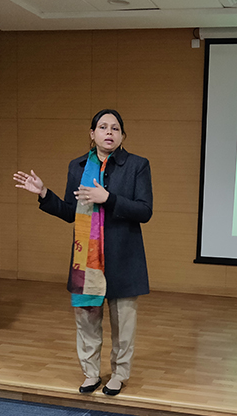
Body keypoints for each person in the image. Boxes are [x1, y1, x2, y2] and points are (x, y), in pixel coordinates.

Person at [14, 109, 153, 396]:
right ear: (92, 133)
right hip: (86, 259)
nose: (109, 132)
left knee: (123, 324)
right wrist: (44, 193)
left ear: (122, 135)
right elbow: (70, 212)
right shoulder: (77, 167)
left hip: (123, 256)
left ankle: (119, 375)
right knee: (87, 321)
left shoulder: (137, 165)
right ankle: (91, 373)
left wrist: (108, 198)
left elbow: (144, 210)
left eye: (115, 128)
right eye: (103, 127)